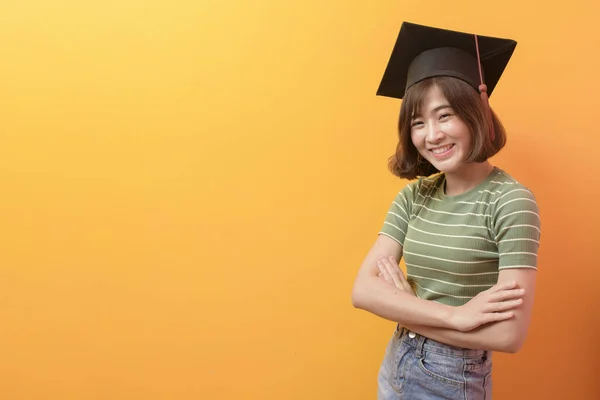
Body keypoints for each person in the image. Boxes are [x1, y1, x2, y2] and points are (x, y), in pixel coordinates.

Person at [351, 22, 541, 399]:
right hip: (397, 364)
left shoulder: (510, 201)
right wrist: (454, 315)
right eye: (417, 122)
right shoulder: (414, 197)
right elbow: (362, 291)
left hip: (453, 376)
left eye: (445, 115)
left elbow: (508, 335)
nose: (431, 135)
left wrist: (404, 307)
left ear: (476, 112)